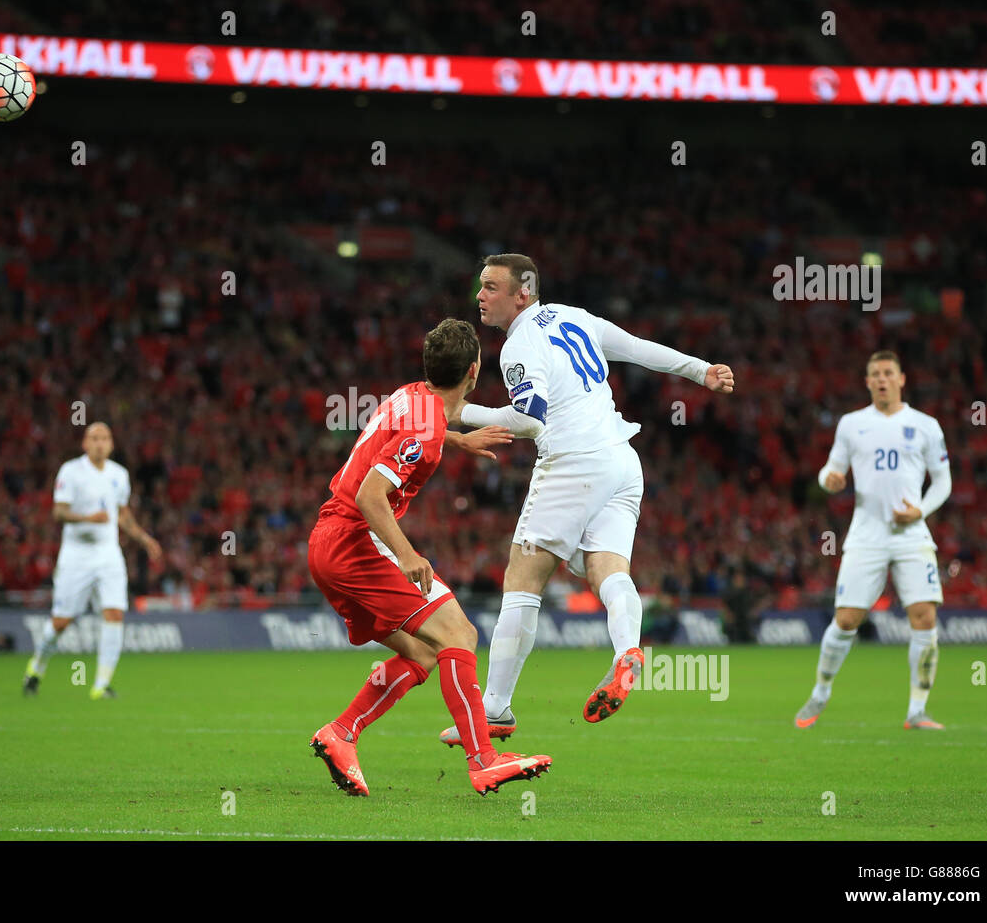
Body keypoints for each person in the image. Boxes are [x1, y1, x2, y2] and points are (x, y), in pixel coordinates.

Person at [443, 253, 735, 745]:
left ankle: (494, 709)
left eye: (491, 287)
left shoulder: (518, 348)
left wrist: (462, 411)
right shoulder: (574, 317)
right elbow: (638, 349)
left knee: (522, 576)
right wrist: (700, 370)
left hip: (573, 465)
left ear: (523, 293)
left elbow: (531, 419)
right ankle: (626, 651)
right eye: (481, 286)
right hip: (622, 462)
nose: (480, 295)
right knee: (608, 570)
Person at [308, 318, 552, 796]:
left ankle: (341, 733)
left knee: (422, 653)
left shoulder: (411, 395)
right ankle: (483, 760)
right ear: (474, 372)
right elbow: (371, 496)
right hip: (357, 542)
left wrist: (459, 439)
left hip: (326, 544)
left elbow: (417, 430)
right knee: (459, 633)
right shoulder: (428, 430)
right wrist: (407, 555)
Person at [796, 351, 951, 730]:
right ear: (867, 382)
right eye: (875, 374)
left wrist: (921, 511)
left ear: (901, 379)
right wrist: (828, 480)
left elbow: (944, 481)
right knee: (847, 619)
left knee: (924, 615)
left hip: (912, 534)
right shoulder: (851, 424)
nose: (882, 379)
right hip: (866, 535)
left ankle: (916, 710)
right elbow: (831, 470)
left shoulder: (926, 425)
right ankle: (821, 690)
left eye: (888, 373)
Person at [23, 422, 162, 699]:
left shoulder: (119, 475)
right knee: (61, 622)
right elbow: (59, 513)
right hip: (76, 554)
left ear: (111, 444)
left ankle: (100, 685)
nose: (100, 443)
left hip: (108, 553)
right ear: (85, 444)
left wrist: (144, 539)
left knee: (114, 613)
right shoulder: (71, 471)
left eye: (105, 438)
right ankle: (36, 668)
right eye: (94, 438)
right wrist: (89, 518)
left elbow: (121, 514)